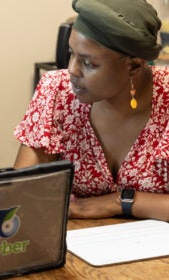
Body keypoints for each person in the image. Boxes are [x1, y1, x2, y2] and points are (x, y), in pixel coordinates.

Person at [14, 0, 169, 222]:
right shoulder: (56, 90)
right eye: (71, 53)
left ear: (134, 66)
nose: (71, 70)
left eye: (88, 63)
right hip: (79, 243)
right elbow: (21, 192)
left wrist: (119, 201)